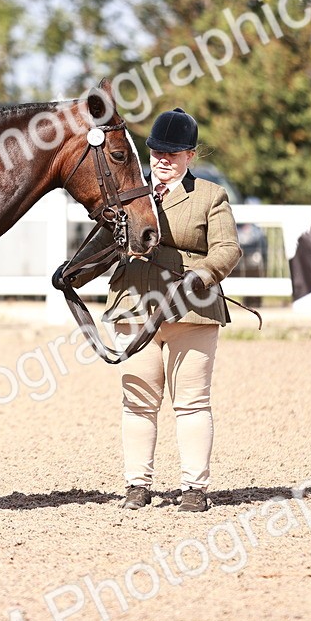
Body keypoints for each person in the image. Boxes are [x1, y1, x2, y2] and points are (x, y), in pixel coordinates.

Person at [103, 107, 241, 512]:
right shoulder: (130, 193)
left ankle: (194, 488)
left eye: (174, 154)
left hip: (191, 310)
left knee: (192, 400)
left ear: (190, 156)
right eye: (157, 151)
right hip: (133, 304)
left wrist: (200, 276)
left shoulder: (210, 196)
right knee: (138, 399)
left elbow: (228, 249)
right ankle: (137, 485)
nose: (163, 160)